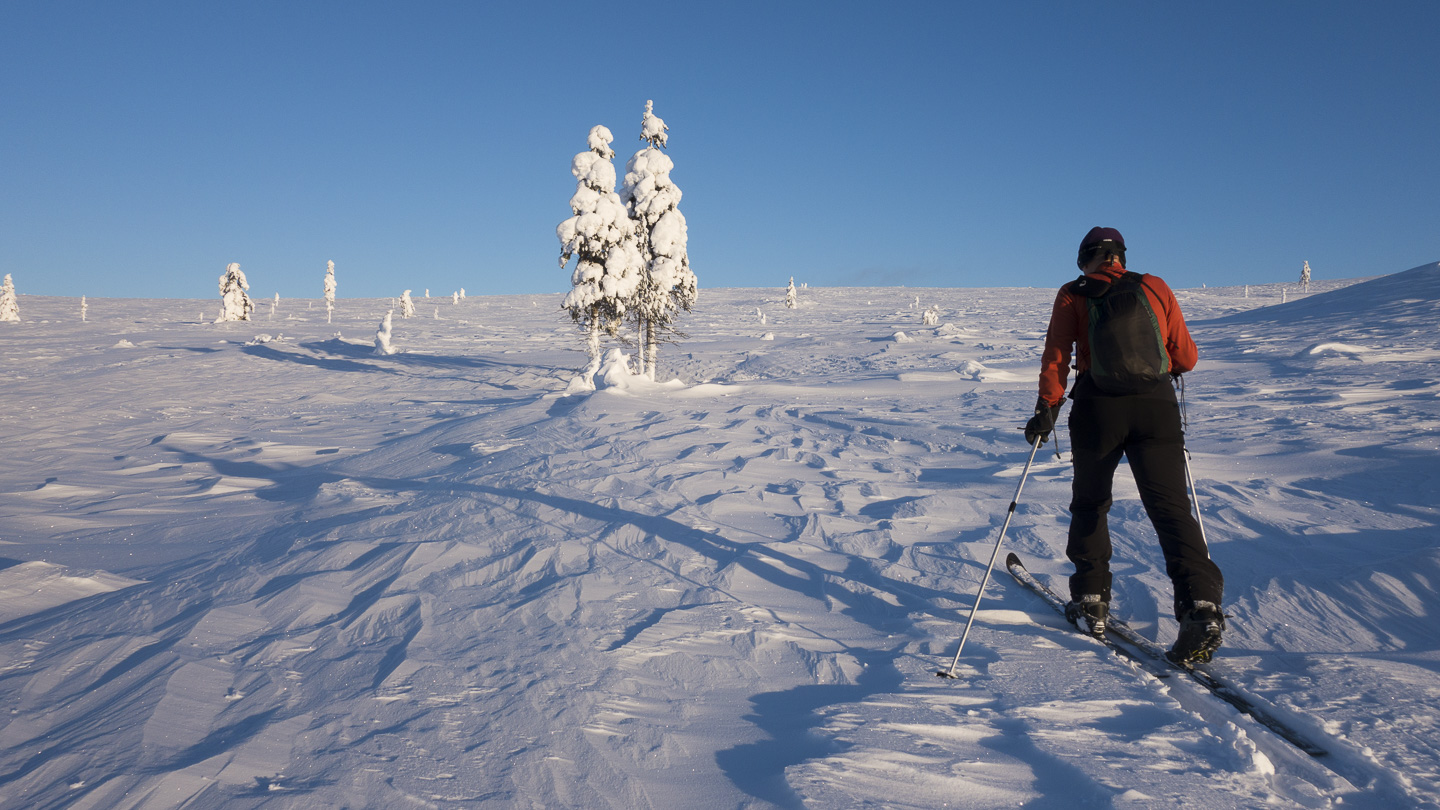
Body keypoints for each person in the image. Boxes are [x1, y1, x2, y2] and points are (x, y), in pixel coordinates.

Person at [1024, 227, 1226, 664]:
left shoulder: (1073, 293)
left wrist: (1047, 406)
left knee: (1091, 503)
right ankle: (1200, 608)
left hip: (1098, 409)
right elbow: (1187, 358)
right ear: (1121, 257)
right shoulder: (1154, 286)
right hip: (1156, 406)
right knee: (1171, 509)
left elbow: (1057, 354)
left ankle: (1091, 599)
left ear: (1086, 260)